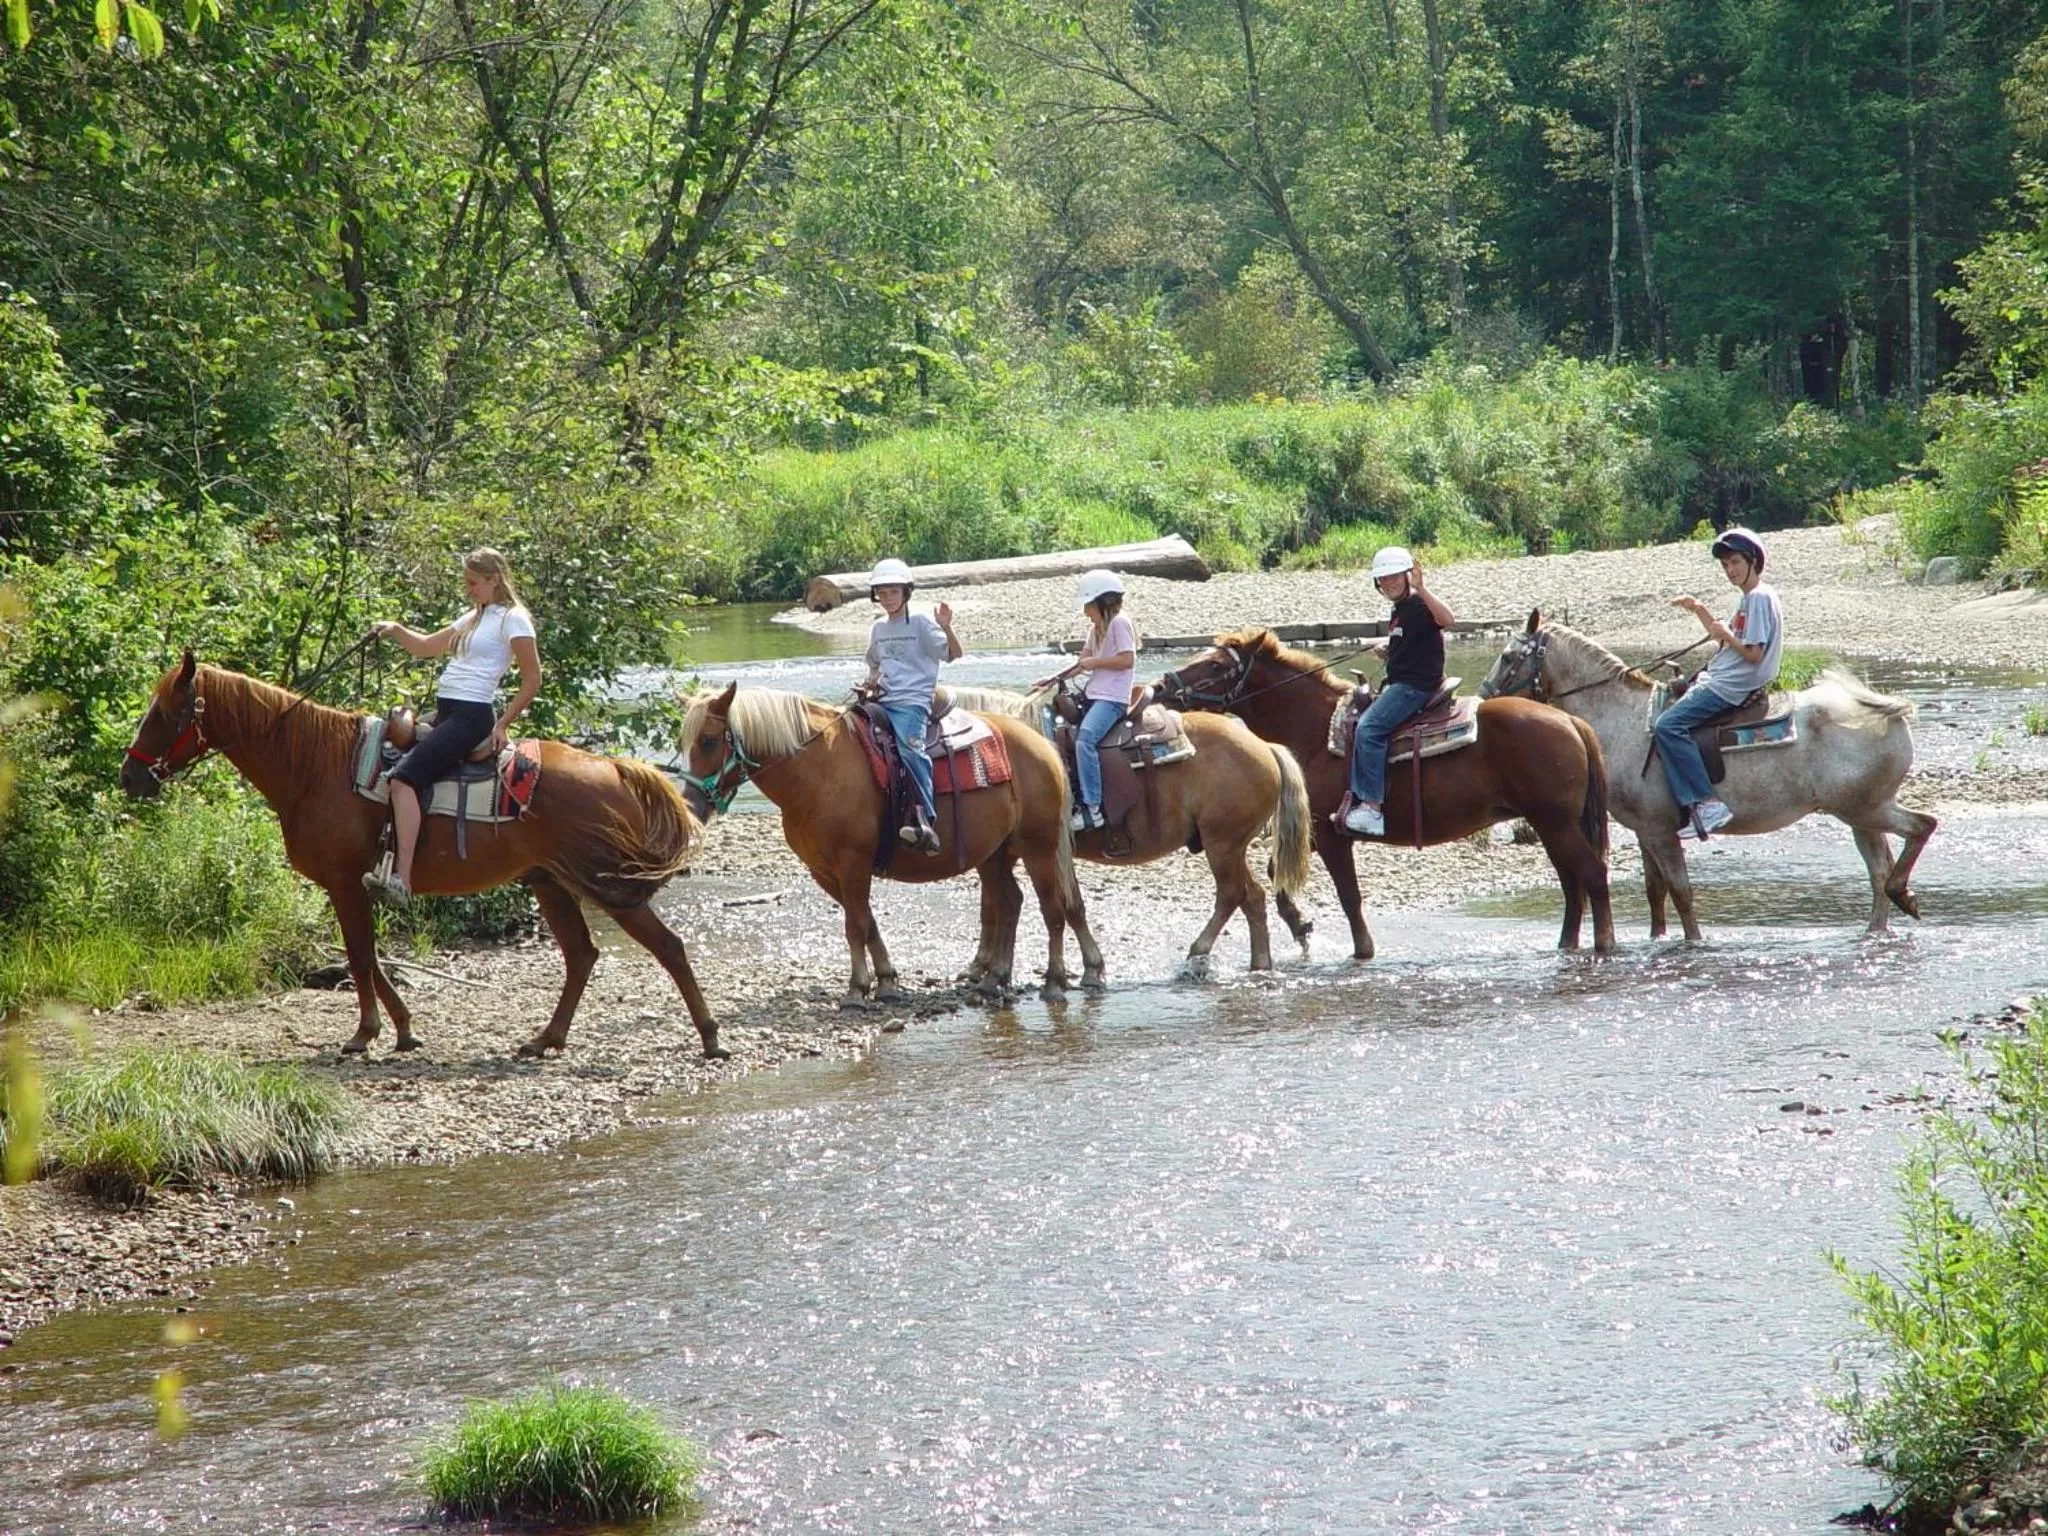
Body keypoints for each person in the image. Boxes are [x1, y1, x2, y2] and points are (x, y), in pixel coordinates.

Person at [363, 547, 542, 907]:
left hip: (471, 716)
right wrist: (395, 629)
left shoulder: (513, 619)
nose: (469, 590)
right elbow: (427, 647)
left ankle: (403, 879)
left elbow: (532, 678)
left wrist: (504, 724)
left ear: (495, 579)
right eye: (467, 583)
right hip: (447, 712)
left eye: (474, 583)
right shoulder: (475, 616)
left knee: (403, 779)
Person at [1655, 526, 1782, 839]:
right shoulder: (1751, 598)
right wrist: (1699, 609)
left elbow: (1753, 653)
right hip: (1727, 678)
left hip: (1730, 687)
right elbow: (1725, 637)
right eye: (1725, 565)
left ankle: (1707, 802)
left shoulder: (1757, 599)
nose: (1730, 570)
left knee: (1666, 726)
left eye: (1735, 562)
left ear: (1753, 561)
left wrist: (1726, 636)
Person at [1343, 546, 1454, 838]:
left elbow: (1447, 620)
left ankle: (1372, 808)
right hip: (1406, 680)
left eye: (1394, 577)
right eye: (1383, 579)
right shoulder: (1401, 610)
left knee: (1368, 729)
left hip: (1413, 687)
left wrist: (1423, 589)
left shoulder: (1418, 603)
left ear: (1407, 576)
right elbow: (1415, 642)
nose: (1388, 583)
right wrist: (1391, 650)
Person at [862, 557, 962, 855]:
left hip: (912, 701)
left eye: (893, 592)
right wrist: (869, 682)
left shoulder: (920, 623)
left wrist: (947, 627)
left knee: (909, 749)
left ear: (906, 592)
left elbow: (954, 654)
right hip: (882, 700)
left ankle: (926, 821)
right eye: (881, 593)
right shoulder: (878, 628)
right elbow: (874, 665)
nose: (887, 598)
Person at [1034, 569, 1140, 831]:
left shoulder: (1119, 623)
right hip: (1094, 694)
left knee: (1085, 740)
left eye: (1088, 605)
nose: (1085, 612)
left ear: (1103, 601)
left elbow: (1128, 659)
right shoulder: (1097, 628)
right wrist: (1051, 679)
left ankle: (1093, 808)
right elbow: (1081, 663)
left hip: (1112, 698)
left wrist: (1096, 662)